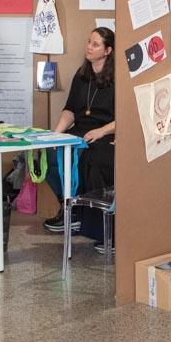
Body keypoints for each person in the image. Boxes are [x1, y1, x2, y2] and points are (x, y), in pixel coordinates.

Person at [42, 28, 115, 247]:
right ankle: (69, 209)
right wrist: (56, 134)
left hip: (104, 132)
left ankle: (99, 227)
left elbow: (127, 116)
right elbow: (70, 110)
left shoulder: (118, 78)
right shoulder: (82, 75)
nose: (88, 47)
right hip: (79, 130)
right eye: (88, 42)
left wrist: (102, 131)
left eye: (95, 44)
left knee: (91, 159)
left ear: (107, 50)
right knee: (50, 156)